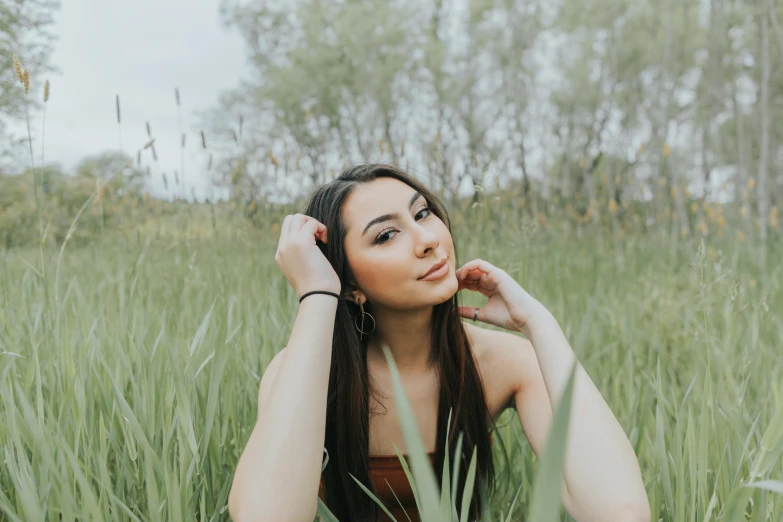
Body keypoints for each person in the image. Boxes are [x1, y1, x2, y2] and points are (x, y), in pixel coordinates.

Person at [228, 164, 650, 522]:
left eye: (423, 213)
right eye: (386, 235)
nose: (428, 239)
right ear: (350, 282)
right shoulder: (302, 372)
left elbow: (620, 511)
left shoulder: (500, 362)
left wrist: (538, 323)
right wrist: (319, 295)